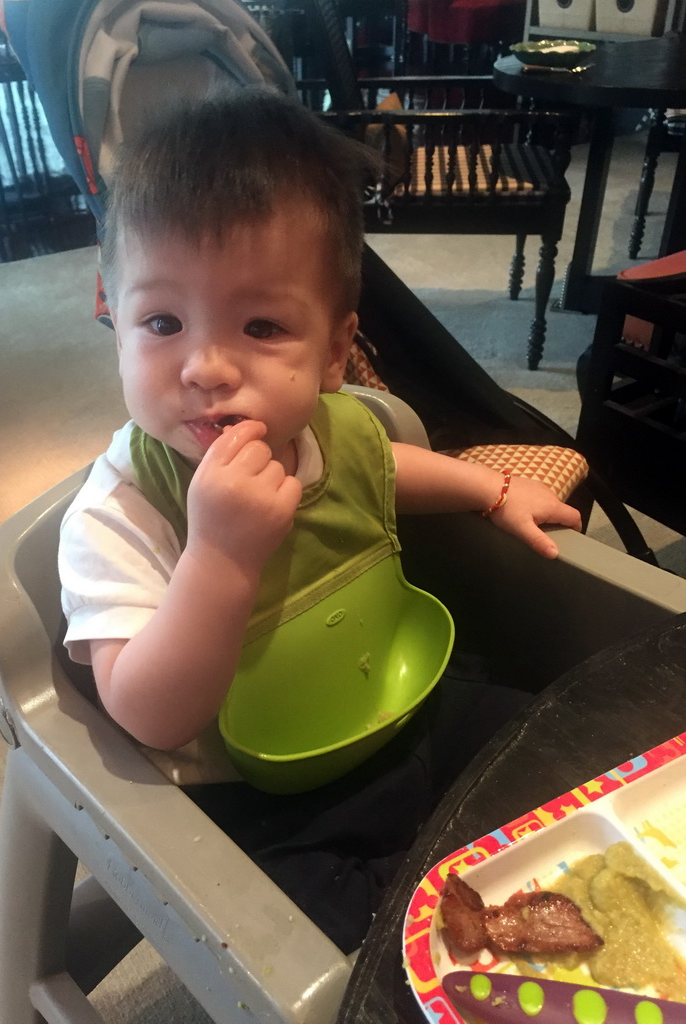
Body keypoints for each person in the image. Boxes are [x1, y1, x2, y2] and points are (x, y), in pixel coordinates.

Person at [59, 86, 582, 952]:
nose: (206, 367)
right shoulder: (121, 512)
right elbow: (148, 712)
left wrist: (488, 488)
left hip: (403, 705)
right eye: (162, 322)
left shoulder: (333, 424)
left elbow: (386, 468)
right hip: (265, 808)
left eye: (261, 325)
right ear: (111, 312)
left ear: (336, 353)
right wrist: (220, 558)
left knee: (556, 745)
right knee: (369, 951)